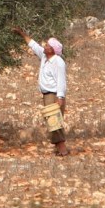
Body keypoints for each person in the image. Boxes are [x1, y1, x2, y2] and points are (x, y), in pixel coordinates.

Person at [12, 27, 69, 156]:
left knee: (54, 121)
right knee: (52, 121)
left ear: (53, 50)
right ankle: (59, 148)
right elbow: (33, 45)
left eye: (48, 45)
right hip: (46, 95)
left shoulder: (58, 62)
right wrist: (22, 33)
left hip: (53, 95)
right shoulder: (44, 57)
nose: (45, 46)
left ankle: (62, 148)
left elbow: (61, 80)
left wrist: (60, 98)